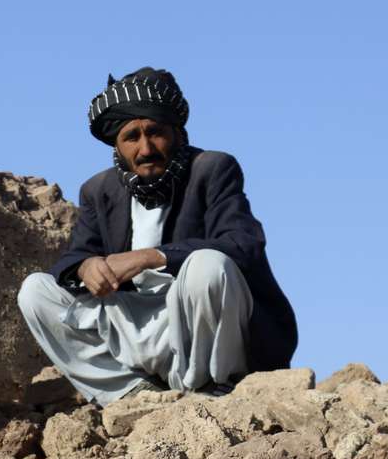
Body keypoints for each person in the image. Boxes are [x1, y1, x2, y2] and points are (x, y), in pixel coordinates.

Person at [17, 68, 296, 405]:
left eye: (155, 132)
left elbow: (243, 244)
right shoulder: (98, 190)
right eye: (131, 137)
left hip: (199, 322)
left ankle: (212, 388)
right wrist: (87, 266)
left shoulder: (213, 169)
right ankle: (132, 394)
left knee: (208, 265)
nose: (146, 148)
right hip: (140, 327)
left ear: (177, 133)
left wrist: (151, 256)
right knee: (36, 291)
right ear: (117, 147)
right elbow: (74, 257)